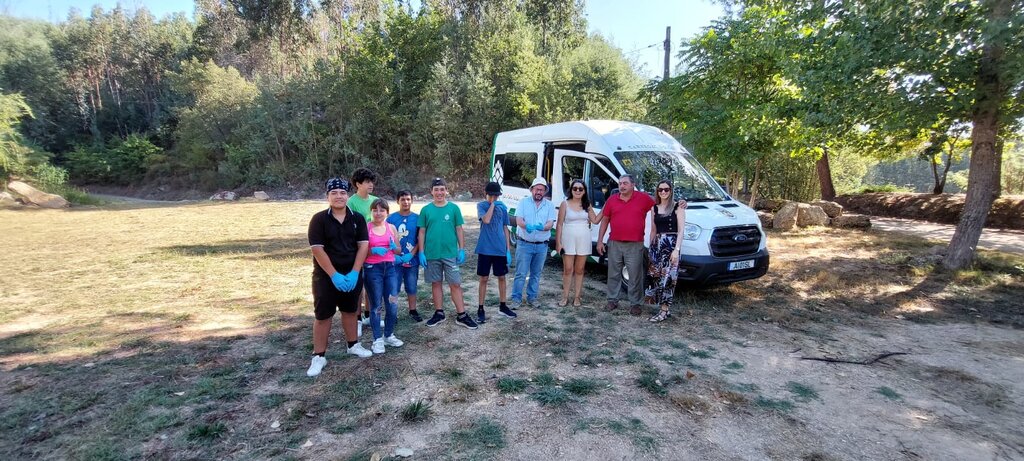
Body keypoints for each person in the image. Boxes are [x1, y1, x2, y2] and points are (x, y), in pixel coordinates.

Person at [306, 178, 371, 378]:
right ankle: (319, 356)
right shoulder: (319, 220)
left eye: (342, 193)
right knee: (323, 315)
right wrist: (334, 275)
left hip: (352, 273)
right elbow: (317, 249)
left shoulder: (357, 218)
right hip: (326, 276)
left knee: (350, 310)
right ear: (328, 196)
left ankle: (353, 345)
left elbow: (363, 246)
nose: (339, 196)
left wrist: (355, 272)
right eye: (334, 193)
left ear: (347, 195)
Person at [417, 178, 478, 329]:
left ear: (446, 191)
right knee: (436, 283)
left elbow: (459, 229)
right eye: (436, 190)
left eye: (442, 189)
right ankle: (439, 313)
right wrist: (421, 252)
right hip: (432, 254)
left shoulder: (454, 208)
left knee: (455, 284)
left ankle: (462, 315)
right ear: (431, 191)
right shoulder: (426, 210)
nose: (439, 192)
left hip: (450, 254)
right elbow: (422, 232)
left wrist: (461, 249)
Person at [596, 174, 656, 316]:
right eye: (620, 183)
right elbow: (605, 220)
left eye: (625, 183)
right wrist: (600, 241)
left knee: (635, 275)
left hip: (635, 244)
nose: (621, 186)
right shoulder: (612, 200)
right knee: (613, 273)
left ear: (633, 185)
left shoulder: (643, 198)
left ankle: (636, 304)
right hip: (615, 243)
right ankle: (612, 300)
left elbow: (661, 202)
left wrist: (680, 203)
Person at [364, 198, 405, 353]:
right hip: (372, 269)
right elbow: (359, 251)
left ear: (387, 212)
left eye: (382, 210)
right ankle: (377, 340)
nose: (378, 213)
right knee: (376, 306)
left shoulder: (391, 227)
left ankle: (388, 335)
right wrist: (372, 251)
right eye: (375, 210)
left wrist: (394, 247)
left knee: (392, 304)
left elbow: (399, 250)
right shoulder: (366, 228)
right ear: (371, 212)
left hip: (390, 269)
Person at [554, 179, 602, 307]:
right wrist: (558, 242)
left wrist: (606, 208)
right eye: (575, 188)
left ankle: (577, 297)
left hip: (583, 239)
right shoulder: (565, 204)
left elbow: (595, 220)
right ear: (571, 190)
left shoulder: (587, 205)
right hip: (568, 239)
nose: (577, 191)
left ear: (584, 191)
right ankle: (565, 297)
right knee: (568, 269)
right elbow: (559, 224)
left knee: (580, 270)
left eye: (581, 189)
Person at [645, 180, 687, 322]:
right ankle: (663, 309)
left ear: (671, 191)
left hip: (671, 246)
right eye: (660, 189)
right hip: (657, 246)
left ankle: (663, 311)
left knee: (669, 279)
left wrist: (676, 250)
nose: (663, 192)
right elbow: (653, 230)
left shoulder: (678, 207)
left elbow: (681, 231)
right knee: (656, 277)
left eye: (666, 189)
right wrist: (650, 249)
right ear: (657, 192)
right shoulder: (654, 208)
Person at [511, 177, 556, 308]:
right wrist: (527, 226)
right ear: (532, 189)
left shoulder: (549, 205)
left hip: (541, 245)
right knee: (521, 273)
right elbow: (519, 220)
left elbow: (550, 223)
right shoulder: (523, 202)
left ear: (545, 191)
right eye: (537, 189)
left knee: (536, 274)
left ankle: (532, 298)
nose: (539, 192)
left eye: (542, 190)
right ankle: (516, 299)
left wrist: (543, 227)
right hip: (524, 244)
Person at [476, 181, 517, 323]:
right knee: (484, 278)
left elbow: (505, 227)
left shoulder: (502, 208)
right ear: (486, 194)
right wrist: (493, 205)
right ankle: (480, 308)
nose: (494, 198)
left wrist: (507, 249)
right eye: (491, 195)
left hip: (500, 249)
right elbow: (486, 220)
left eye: (496, 196)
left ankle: (503, 306)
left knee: (502, 277)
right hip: (485, 248)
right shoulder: (481, 206)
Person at [348, 168, 378, 333]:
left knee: (371, 284)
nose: (370, 184)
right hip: (357, 250)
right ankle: (357, 319)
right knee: (358, 287)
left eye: (371, 181)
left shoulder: (376, 201)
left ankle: (369, 316)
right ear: (358, 184)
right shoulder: (351, 202)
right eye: (367, 182)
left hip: (375, 250)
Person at [387, 191, 422, 322]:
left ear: (412, 200)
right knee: (393, 287)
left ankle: (412, 310)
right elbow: (386, 238)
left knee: (411, 286)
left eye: (408, 199)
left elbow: (420, 238)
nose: (406, 202)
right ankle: (392, 313)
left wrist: (412, 254)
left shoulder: (418, 218)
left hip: (411, 260)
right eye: (403, 199)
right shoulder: (391, 218)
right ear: (398, 201)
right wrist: (393, 254)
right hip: (395, 260)